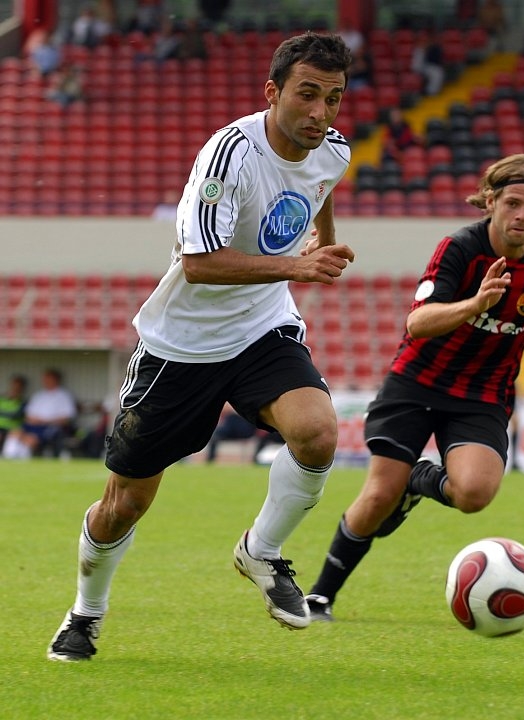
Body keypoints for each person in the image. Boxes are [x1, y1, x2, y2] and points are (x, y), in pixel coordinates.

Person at [47, 31, 354, 662]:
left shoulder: (333, 149)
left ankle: (262, 551)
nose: (320, 112)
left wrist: (322, 241)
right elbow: (200, 262)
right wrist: (297, 267)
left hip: (261, 329)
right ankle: (85, 612)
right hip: (181, 346)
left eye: (333, 98)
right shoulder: (228, 156)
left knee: (318, 432)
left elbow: (322, 187)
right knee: (124, 503)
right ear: (272, 92)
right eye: (307, 94)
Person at [305, 153, 524, 621]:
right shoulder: (460, 248)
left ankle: (418, 480)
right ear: (491, 202)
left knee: (474, 494)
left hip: (484, 393)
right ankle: (320, 596)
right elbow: (417, 323)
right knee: (378, 497)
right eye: (513, 203)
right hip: (417, 383)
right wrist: (475, 303)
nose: (522, 215)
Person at [4, 368, 78, 459]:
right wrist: (34, 421)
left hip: (50, 427)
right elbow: (28, 415)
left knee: (31, 439)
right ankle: (7, 458)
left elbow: (67, 418)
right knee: (15, 432)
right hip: (33, 425)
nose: (45, 381)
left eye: (48, 379)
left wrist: (45, 421)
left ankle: (24, 460)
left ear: (56, 380)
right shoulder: (38, 395)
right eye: (45, 379)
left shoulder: (64, 396)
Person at [0, 374, 28, 453]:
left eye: (18, 386)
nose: (16, 388)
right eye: (14, 385)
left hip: (13, 428)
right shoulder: (2, 399)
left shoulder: (23, 402)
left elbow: (15, 415)